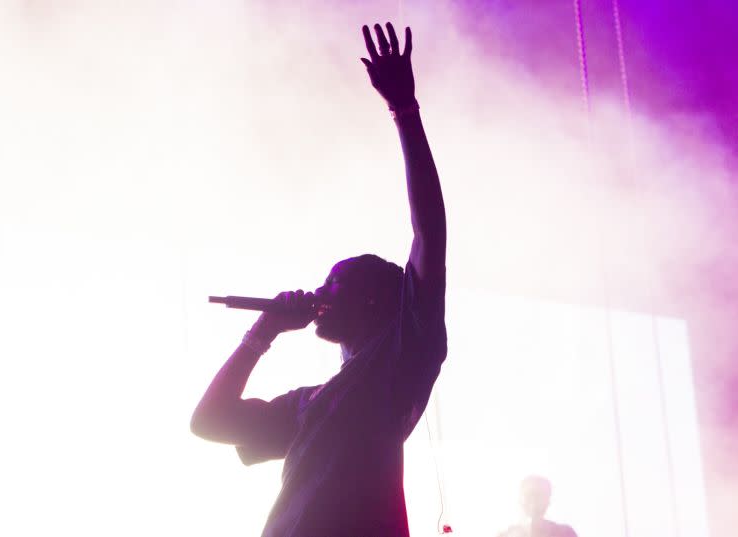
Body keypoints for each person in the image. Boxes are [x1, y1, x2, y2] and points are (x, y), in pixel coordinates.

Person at [190, 22, 447, 536]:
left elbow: (430, 234)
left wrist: (405, 111)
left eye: (336, 283)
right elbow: (209, 424)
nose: (320, 292)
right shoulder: (309, 402)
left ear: (376, 301)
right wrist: (260, 334)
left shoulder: (402, 353)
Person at [497, 476, 578, 537]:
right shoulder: (504, 535)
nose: (533, 502)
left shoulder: (565, 533)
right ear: (520, 501)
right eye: (528, 495)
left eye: (538, 495)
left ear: (548, 502)